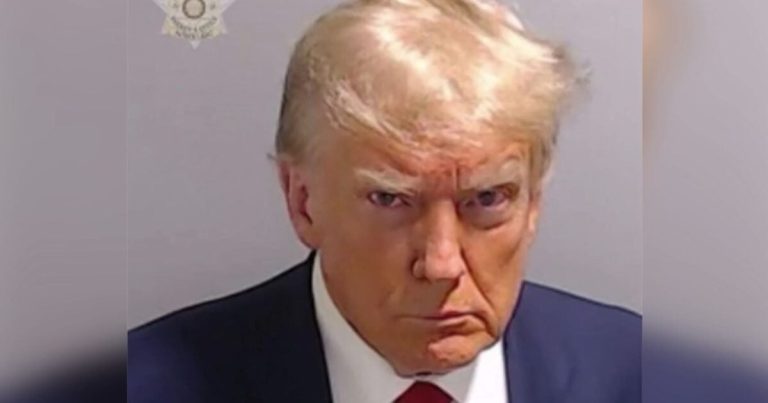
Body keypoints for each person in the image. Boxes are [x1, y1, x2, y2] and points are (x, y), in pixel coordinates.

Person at [128, 1, 640, 402]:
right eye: (391, 199)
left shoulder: (641, 376)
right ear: (302, 202)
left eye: (486, 199)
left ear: (533, 204)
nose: (440, 264)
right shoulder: (147, 386)